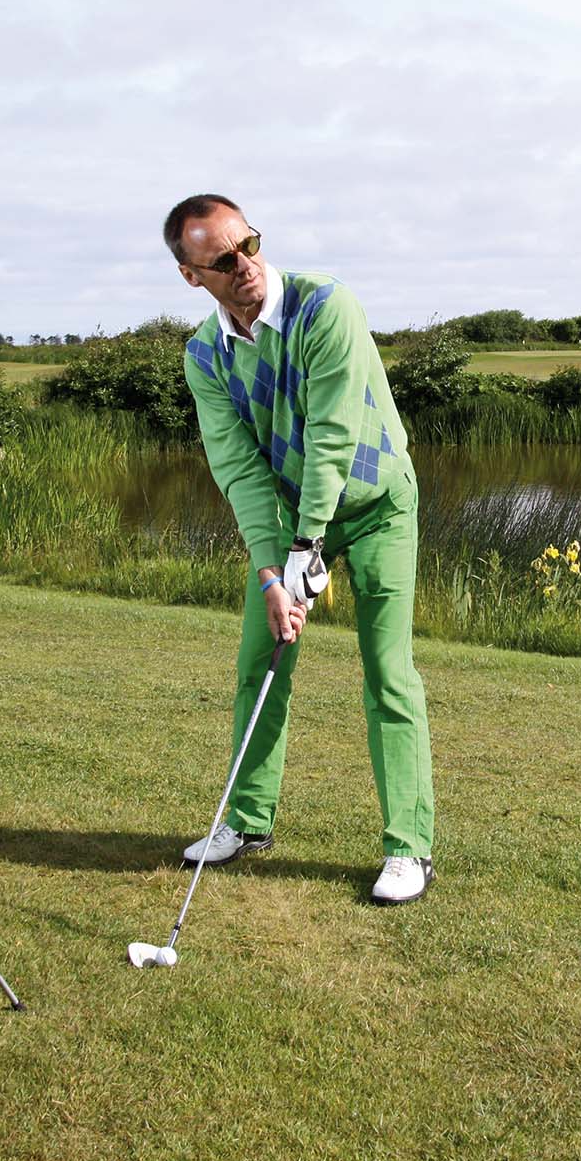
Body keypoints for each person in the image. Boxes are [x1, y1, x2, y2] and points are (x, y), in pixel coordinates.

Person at [164, 194, 436, 904]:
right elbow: (239, 469)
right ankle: (247, 821)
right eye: (223, 260)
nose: (245, 265)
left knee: (387, 671)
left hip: (376, 505)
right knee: (261, 660)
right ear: (192, 275)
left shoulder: (326, 307)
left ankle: (408, 847)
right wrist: (272, 573)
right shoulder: (204, 356)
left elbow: (331, 436)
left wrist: (307, 549)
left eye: (249, 244)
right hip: (291, 521)